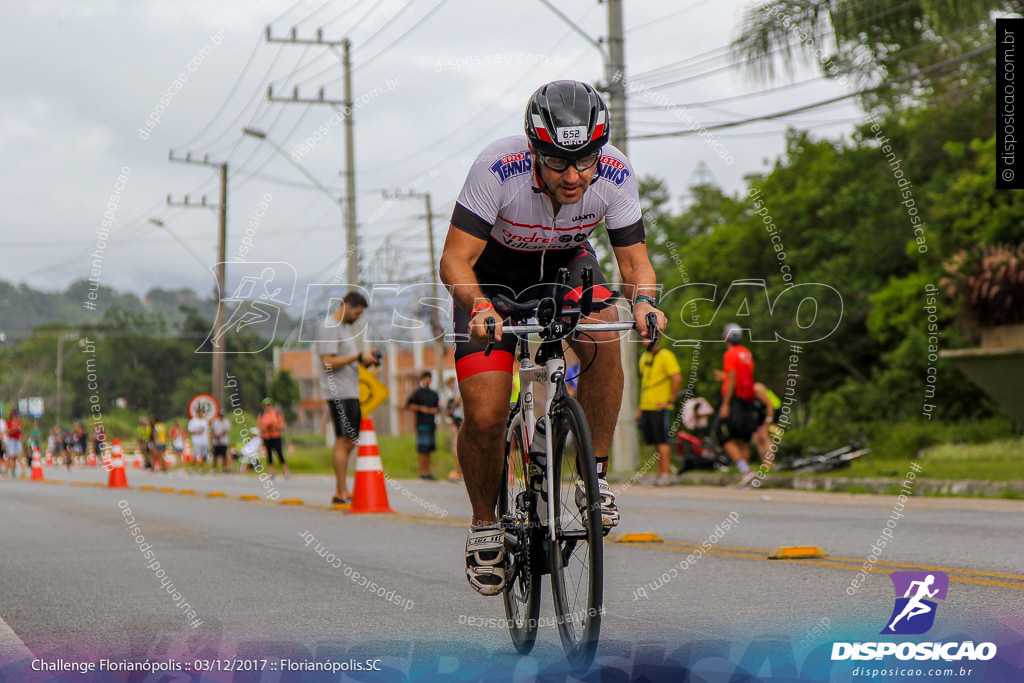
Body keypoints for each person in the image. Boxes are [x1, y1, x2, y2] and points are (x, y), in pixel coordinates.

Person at [438, 80, 666, 596]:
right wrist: (477, 305)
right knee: (486, 414)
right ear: (533, 149)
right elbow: (454, 259)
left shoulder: (615, 171)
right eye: (558, 162)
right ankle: (483, 524)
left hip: (564, 270)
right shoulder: (497, 168)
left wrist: (647, 300)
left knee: (606, 338)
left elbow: (634, 262)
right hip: (490, 281)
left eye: (585, 160)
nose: (573, 175)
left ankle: (594, 479)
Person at [314, 291, 378, 505]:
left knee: (350, 440)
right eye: (357, 313)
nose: (358, 317)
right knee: (343, 440)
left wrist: (365, 360)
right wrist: (357, 356)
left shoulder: (343, 329)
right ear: (348, 306)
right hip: (338, 393)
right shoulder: (329, 327)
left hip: (350, 391)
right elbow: (328, 362)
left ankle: (343, 489)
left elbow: (345, 360)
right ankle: (340, 492)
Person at [714, 323, 760, 487]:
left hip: (733, 400)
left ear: (726, 337)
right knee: (741, 438)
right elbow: (741, 375)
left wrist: (725, 404)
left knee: (723, 434)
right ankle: (747, 475)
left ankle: (745, 470)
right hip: (746, 400)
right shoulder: (746, 353)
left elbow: (733, 378)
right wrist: (724, 376)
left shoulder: (730, 354)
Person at [636, 338, 682, 486]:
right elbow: (645, 384)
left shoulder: (666, 355)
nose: (645, 342)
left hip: (660, 406)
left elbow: (676, 376)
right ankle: (659, 473)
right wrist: (640, 408)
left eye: (648, 339)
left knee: (662, 440)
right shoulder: (644, 357)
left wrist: (670, 400)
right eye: (643, 339)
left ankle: (667, 474)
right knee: (655, 441)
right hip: (647, 405)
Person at [406, 371, 440, 480]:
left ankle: (427, 472)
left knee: (429, 449)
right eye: (426, 378)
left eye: (429, 378)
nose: (428, 380)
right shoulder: (417, 393)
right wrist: (421, 408)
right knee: (422, 449)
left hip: (431, 424)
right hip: (421, 424)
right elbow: (408, 405)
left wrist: (434, 410)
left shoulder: (434, 394)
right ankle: (422, 472)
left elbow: (438, 408)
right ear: (422, 379)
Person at [258, 399, 289, 479]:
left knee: (280, 454)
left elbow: (282, 424)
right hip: (267, 437)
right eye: (266, 405)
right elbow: (259, 426)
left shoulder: (276, 414)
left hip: (276, 436)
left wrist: (275, 427)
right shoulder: (262, 415)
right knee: (269, 455)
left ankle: (286, 472)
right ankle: (272, 472)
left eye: (269, 405)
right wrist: (265, 428)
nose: (268, 407)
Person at [751, 382, 781, 466]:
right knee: (757, 437)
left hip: (773, 411)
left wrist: (768, 422)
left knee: (765, 435)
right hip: (761, 413)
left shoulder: (757, 388)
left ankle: (769, 463)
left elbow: (770, 405)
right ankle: (765, 463)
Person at [443, 376, 464, 483]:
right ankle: (457, 471)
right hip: (456, 421)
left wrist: (450, 409)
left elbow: (457, 401)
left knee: (457, 448)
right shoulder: (453, 392)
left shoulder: (458, 389)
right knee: (456, 448)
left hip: (459, 421)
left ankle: (459, 472)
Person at [187, 410, 211, 474]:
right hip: (196, 441)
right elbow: (190, 431)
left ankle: (201, 468)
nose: (201, 414)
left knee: (203, 455)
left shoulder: (205, 421)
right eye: (200, 413)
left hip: (204, 441)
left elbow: (207, 431)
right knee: (195, 454)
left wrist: (209, 439)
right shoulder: (193, 421)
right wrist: (197, 432)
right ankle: (192, 467)